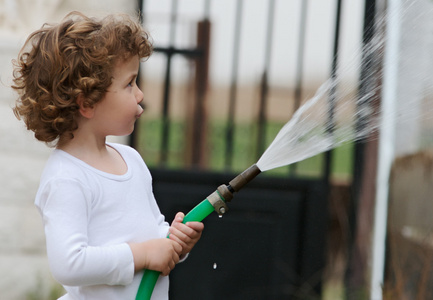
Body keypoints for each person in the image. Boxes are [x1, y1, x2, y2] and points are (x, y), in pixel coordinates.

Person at [12, 11, 204, 300]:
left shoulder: (132, 161)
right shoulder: (67, 177)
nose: (140, 95)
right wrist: (142, 255)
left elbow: (154, 241)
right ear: (87, 102)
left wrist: (174, 241)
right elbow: (70, 264)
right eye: (130, 84)